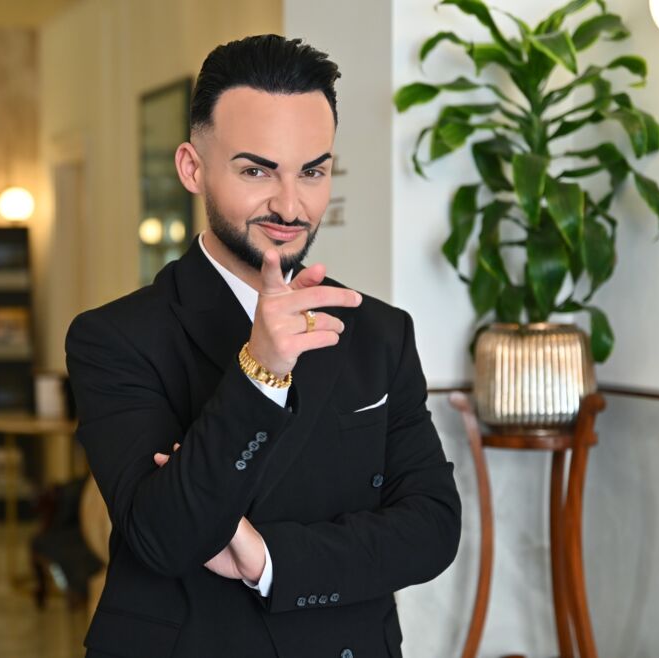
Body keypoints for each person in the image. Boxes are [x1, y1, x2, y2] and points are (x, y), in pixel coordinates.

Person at [66, 34, 461, 658]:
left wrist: (267, 557)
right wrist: (261, 371)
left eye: (313, 171)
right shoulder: (116, 338)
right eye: (256, 170)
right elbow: (165, 538)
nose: (290, 204)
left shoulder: (380, 332)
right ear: (192, 168)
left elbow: (433, 529)